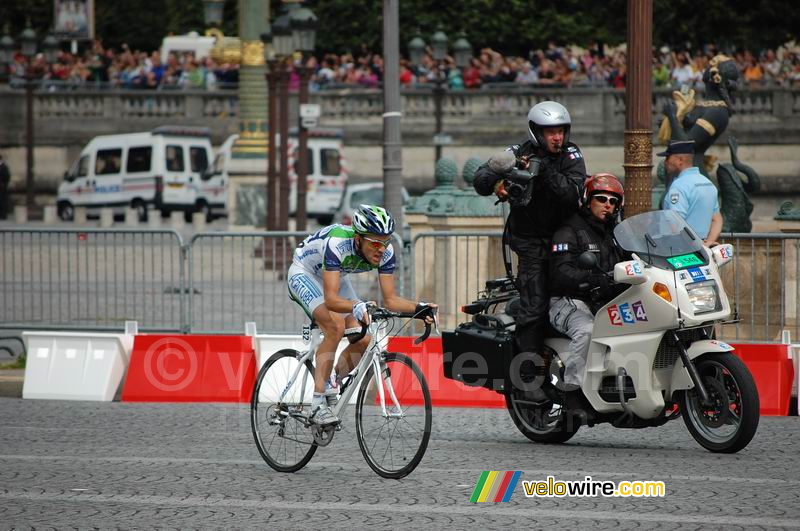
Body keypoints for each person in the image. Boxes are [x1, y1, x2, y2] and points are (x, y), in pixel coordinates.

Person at [287, 205, 437, 426]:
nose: (381, 249)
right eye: (375, 243)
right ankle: (317, 406)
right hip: (305, 272)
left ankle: (332, 381)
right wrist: (356, 304)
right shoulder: (338, 242)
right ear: (358, 239)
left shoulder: (385, 253)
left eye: (385, 242)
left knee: (364, 339)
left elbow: (391, 300)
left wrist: (419, 308)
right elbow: (331, 300)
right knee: (335, 327)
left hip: (335, 275)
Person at [472, 101, 586, 365]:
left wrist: (542, 170)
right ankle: (526, 371)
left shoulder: (571, 154)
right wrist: (499, 179)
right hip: (531, 243)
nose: (557, 137)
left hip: (565, 242)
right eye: (550, 132)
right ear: (537, 132)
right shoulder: (519, 151)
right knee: (534, 307)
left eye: (560, 131)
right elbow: (480, 179)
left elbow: (571, 194)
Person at [548, 173, 629, 406]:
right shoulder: (569, 230)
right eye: (601, 198)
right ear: (588, 199)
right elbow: (561, 272)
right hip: (568, 300)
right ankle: (571, 391)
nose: (607, 205)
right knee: (587, 330)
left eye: (613, 201)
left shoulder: (616, 234)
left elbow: (634, 257)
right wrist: (594, 279)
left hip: (603, 300)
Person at [660, 140, 722, 245]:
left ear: (680, 160)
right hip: (701, 250)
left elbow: (676, 224)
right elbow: (717, 219)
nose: (665, 162)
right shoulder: (708, 183)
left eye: (668, 157)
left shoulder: (679, 186)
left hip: (679, 249)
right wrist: (708, 243)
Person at [0, 154, 10, 220]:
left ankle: (3, 215)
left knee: (3, 201)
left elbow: (7, 177)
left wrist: (3, 183)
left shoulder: (4, 167)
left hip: (2, 187)